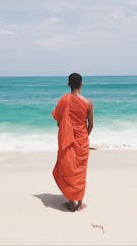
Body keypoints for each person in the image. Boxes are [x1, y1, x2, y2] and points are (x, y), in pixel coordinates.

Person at [52, 73, 94, 212]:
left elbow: (59, 122)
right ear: (82, 84)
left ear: (68, 84)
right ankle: (79, 203)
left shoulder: (64, 100)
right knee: (80, 171)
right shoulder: (88, 103)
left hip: (67, 139)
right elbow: (91, 125)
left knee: (68, 168)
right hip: (82, 140)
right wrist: (83, 137)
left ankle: (71, 202)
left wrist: (68, 132)